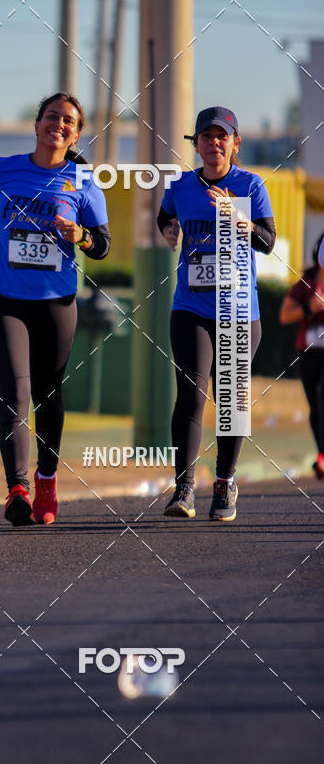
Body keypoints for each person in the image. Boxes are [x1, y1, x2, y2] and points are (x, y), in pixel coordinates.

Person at [0, 93, 110, 526]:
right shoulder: (3, 170)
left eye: (68, 121)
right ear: (36, 124)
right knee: (15, 392)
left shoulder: (84, 179)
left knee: (49, 393)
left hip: (55, 302)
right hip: (1, 297)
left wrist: (80, 235)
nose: (58, 124)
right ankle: (17, 488)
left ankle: (46, 479)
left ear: (76, 134)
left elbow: (102, 245)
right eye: (51, 117)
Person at [157, 106, 276, 521]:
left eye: (221, 136)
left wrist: (237, 219)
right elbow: (165, 217)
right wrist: (169, 230)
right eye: (205, 137)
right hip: (191, 306)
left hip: (240, 311)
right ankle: (184, 489)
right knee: (190, 394)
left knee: (230, 402)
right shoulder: (180, 186)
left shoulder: (250, 185)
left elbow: (268, 241)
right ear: (197, 144)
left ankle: (224, 484)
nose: (214, 143)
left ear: (234, 143)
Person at [279, 232, 324, 480]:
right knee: (316, 405)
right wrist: (309, 308)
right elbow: (285, 315)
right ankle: (321, 455)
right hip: (308, 352)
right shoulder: (307, 284)